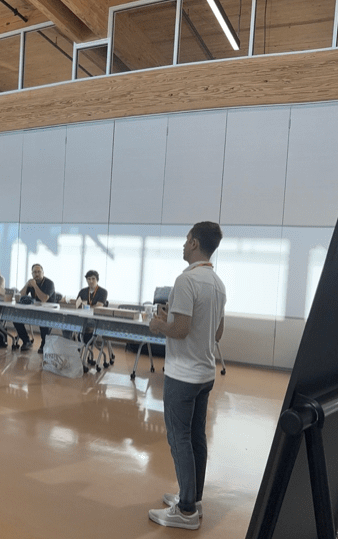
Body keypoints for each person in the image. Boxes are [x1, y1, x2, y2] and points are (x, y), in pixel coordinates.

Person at [147, 222, 226, 530]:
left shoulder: (185, 280)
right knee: (196, 437)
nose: (183, 245)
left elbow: (179, 330)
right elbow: (216, 332)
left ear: (194, 243)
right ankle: (193, 497)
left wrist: (158, 325)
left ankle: (186, 511)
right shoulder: (218, 283)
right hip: (205, 373)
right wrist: (174, 323)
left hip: (183, 375)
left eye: (185, 240)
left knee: (179, 438)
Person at [13, 264, 55, 353]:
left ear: (43, 273)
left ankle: (44, 344)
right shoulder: (31, 282)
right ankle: (26, 341)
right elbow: (19, 296)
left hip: (48, 312)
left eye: (39, 272)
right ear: (32, 274)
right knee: (15, 318)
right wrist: (26, 285)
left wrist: (35, 286)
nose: (37, 274)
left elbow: (44, 299)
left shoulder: (49, 283)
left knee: (44, 321)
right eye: (34, 272)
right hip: (35, 309)